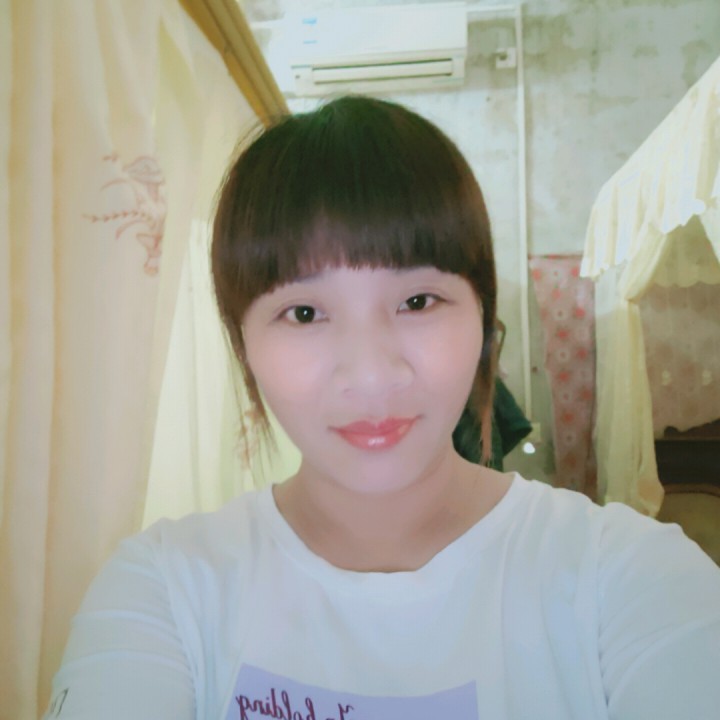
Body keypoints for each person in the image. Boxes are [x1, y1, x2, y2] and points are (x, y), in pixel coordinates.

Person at [45, 96, 720, 720]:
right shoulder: (164, 591)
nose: (371, 373)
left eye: (418, 301)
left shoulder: (629, 579)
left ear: (483, 320)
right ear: (242, 342)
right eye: (304, 312)